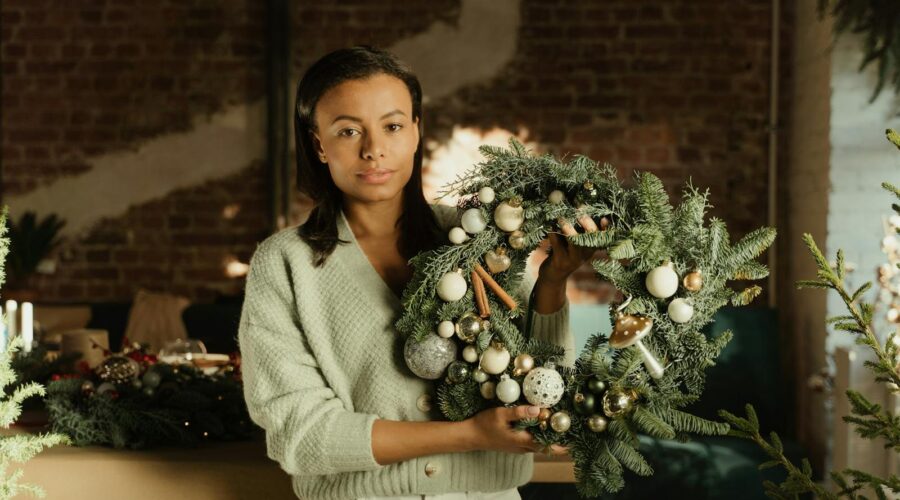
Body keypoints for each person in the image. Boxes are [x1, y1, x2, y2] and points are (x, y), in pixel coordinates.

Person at [238, 46, 598, 500]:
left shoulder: (476, 239)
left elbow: (544, 379)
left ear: (415, 132)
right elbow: (301, 435)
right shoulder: (285, 264)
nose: (373, 150)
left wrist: (552, 281)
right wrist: (470, 436)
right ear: (318, 145)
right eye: (348, 131)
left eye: (391, 126)